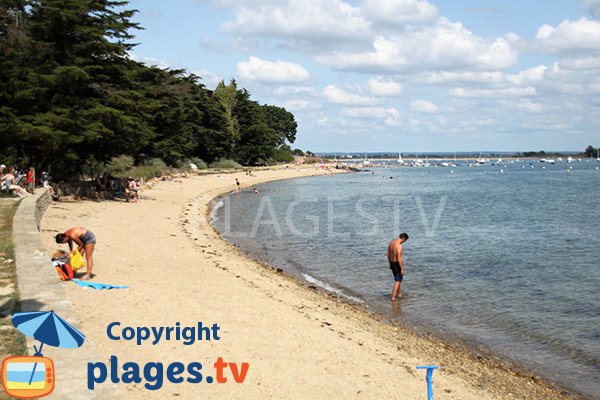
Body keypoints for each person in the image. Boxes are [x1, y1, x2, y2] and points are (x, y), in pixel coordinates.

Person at [387, 232, 409, 301]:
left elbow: (388, 254)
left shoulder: (392, 242)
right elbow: (399, 259)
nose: (404, 242)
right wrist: (402, 269)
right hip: (396, 264)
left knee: (398, 279)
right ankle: (393, 297)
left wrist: (390, 263)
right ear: (403, 239)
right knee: (398, 280)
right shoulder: (399, 246)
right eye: (405, 241)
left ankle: (399, 294)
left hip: (392, 262)